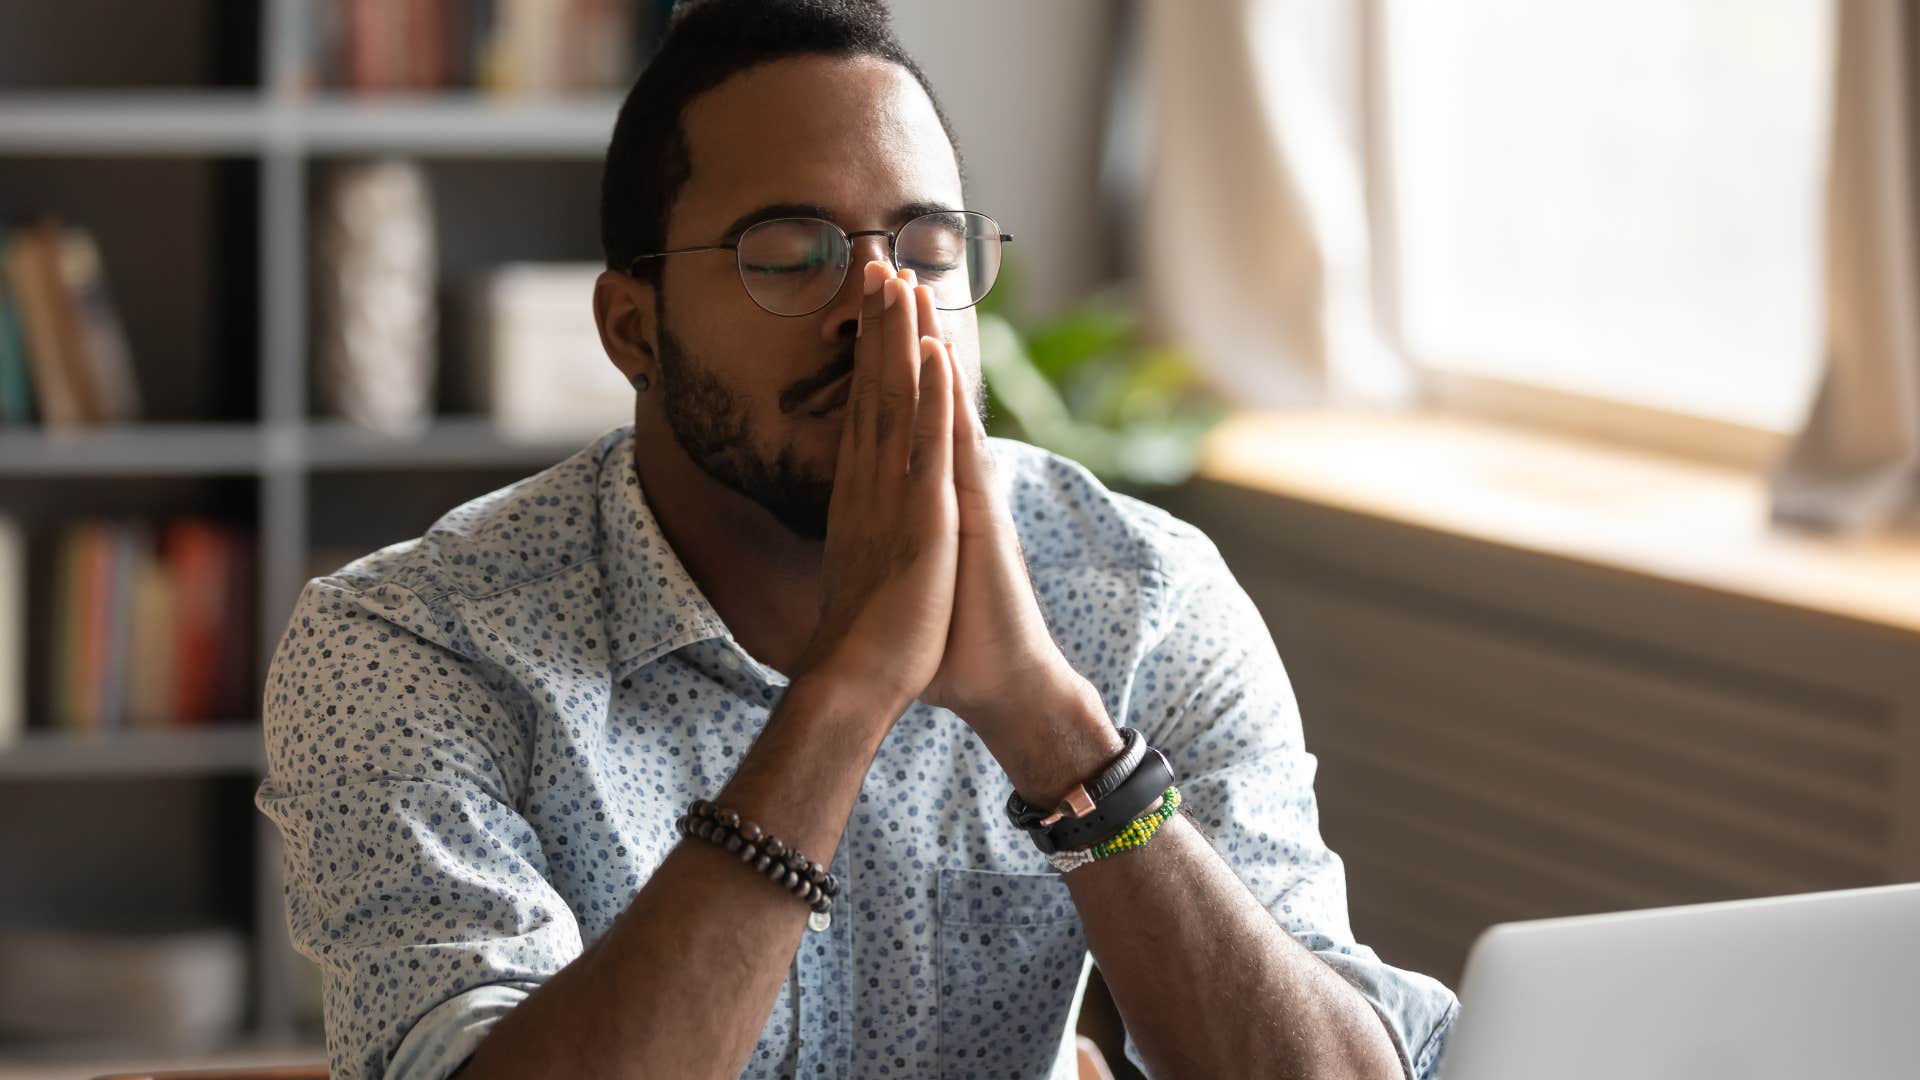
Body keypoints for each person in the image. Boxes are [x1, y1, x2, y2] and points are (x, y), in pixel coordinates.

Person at [253, 2, 1458, 1077]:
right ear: (635, 329)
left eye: (930, 255)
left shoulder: (1135, 593)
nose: (883, 315)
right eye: (789, 257)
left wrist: (1052, 729)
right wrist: (847, 694)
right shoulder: (412, 649)